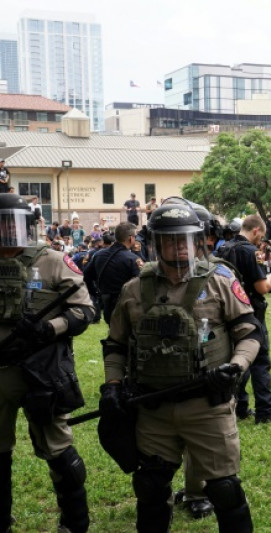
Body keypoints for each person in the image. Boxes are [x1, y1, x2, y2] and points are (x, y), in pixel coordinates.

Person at [101, 203, 261, 532]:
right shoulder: (134, 290)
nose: (179, 247)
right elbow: (115, 344)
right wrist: (112, 386)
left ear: (198, 240)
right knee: (150, 489)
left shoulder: (219, 281)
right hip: (152, 408)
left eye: (185, 239)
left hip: (207, 407)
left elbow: (250, 334)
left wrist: (235, 367)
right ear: (155, 243)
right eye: (170, 240)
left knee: (225, 490)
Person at [0, 194, 94, 533]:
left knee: (59, 451)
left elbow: (85, 311)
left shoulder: (53, 260)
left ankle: (74, 523)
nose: (8, 229)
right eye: (2, 221)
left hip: (43, 372)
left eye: (14, 222)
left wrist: (47, 328)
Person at [215, 215, 271, 424]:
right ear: (256, 230)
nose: (261, 240)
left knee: (237, 359)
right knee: (260, 361)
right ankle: (265, 411)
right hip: (251, 313)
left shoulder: (224, 249)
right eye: (262, 235)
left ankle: (239, 407)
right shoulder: (250, 252)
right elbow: (262, 288)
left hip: (228, 312)